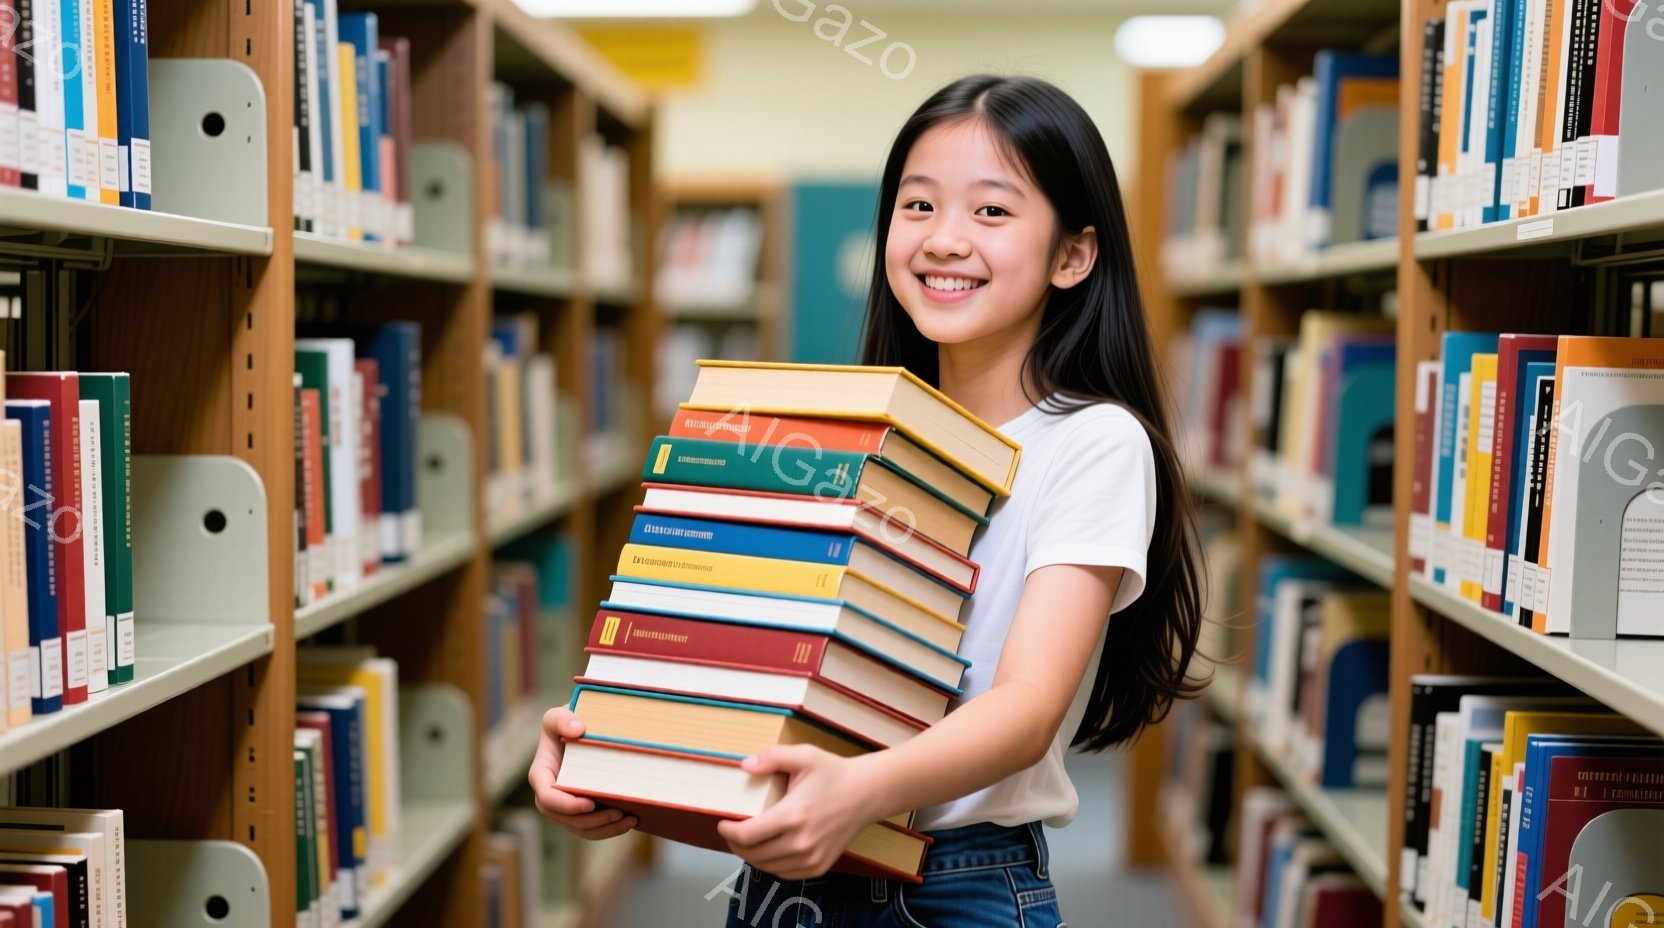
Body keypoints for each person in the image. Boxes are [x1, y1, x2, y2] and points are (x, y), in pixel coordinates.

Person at [528, 74, 1204, 927]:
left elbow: (1027, 707)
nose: (944, 240)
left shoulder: (1094, 442)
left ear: (1073, 254)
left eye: (992, 212)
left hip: (956, 884)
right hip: (784, 875)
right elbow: (748, 648)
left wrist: (861, 791)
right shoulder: (848, 428)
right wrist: (616, 753)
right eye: (917, 207)